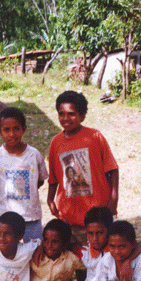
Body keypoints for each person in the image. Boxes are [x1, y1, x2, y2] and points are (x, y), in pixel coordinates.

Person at [47, 91, 119, 243]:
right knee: (76, 258)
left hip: (97, 214)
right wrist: (50, 199)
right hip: (69, 215)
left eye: (71, 114)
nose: (66, 118)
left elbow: (112, 169)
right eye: (61, 114)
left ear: (83, 115)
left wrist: (114, 199)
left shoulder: (94, 137)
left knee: (101, 257)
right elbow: (53, 177)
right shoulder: (56, 142)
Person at [0, 107, 48, 242]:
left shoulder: (34, 155)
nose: (11, 134)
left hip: (31, 216)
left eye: (16, 129)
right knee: (8, 253)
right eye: (6, 130)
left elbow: (40, 181)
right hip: (6, 217)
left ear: (24, 129)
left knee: (34, 253)